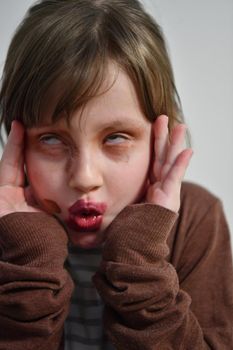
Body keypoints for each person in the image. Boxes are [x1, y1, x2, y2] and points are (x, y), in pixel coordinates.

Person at [0, 0, 232, 349]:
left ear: (158, 138)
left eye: (115, 138)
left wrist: (140, 260)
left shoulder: (196, 219)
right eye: (51, 139)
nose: (84, 177)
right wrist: (29, 264)